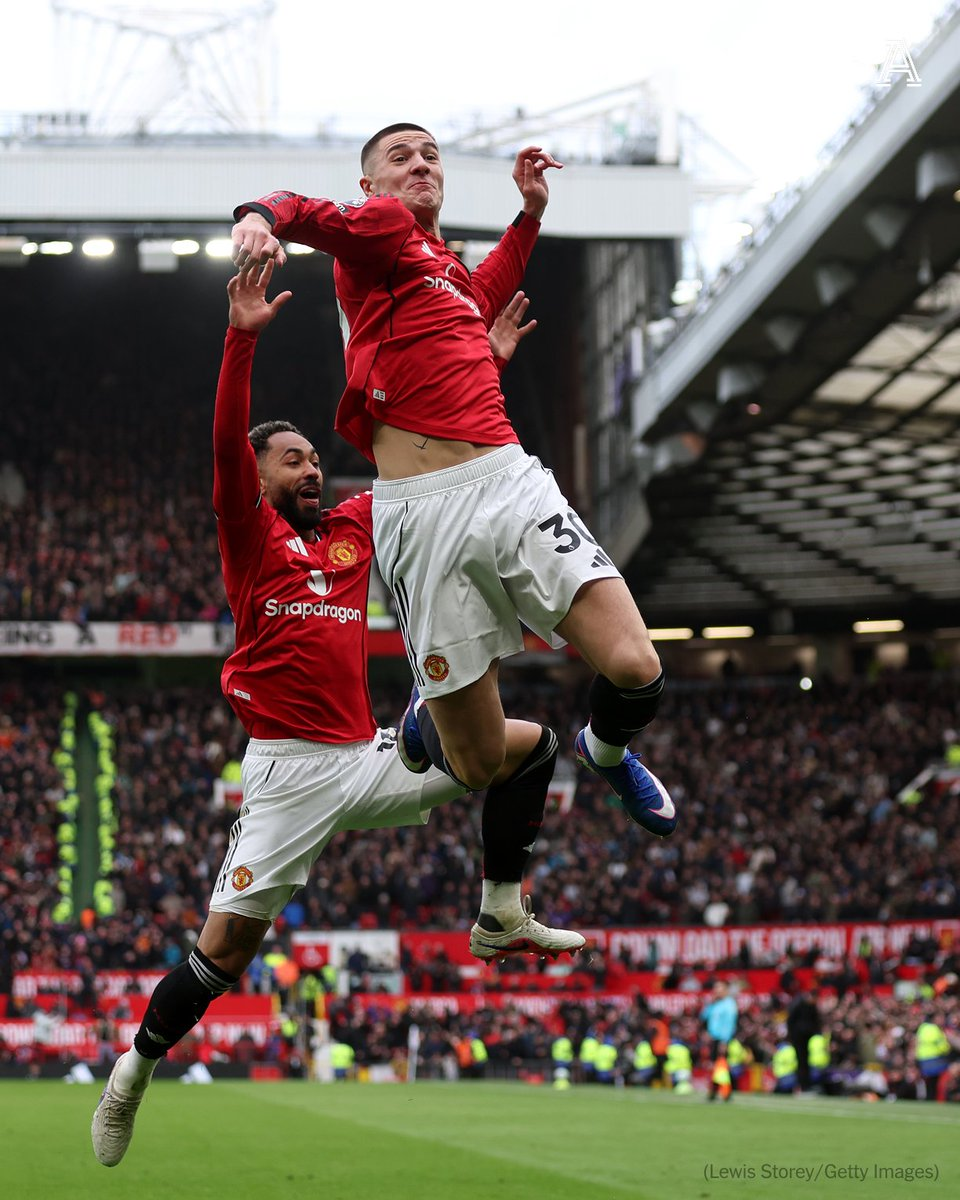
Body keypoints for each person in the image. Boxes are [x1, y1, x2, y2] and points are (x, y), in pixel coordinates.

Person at [91, 264, 582, 1169]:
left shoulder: (357, 527)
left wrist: (485, 366)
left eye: (317, 458)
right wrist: (241, 337)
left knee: (527, 748)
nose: (313, 468)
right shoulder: (250, 537)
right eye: (293, 460)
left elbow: (437, 465)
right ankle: (133, 1072)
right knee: (222, 957)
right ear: (258, 476)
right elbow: (224, 442)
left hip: (366, 755)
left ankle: (500, 911)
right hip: (286, 773)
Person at [230, 123, 678, 843]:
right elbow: (306, 210)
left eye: (431, 155)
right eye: (400, 157)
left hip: (509, 479)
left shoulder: (447, 274)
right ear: (370, 185)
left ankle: (605, 750)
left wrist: (529, 214)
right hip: (423, 513)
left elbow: (486, 288)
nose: (421, 164)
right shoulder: (382, 228)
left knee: (636, 665)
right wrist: (260, 215)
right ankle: (428, 715)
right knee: (476, 762)